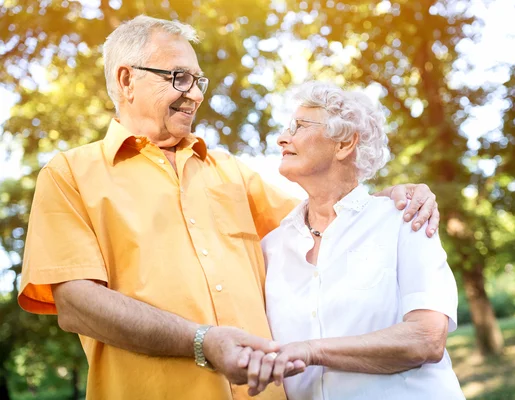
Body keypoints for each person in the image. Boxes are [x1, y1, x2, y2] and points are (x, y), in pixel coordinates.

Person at [17, 16, 440, 400]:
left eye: (200, 81)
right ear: (126, 80)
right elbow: (76, 304)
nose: (196, 95)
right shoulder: (68, 174)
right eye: (179, 78)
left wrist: (391, 198)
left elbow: (327, 218)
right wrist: (202, 341)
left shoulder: (232, 172)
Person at [240, 82, 464, 399]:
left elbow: (426, 339)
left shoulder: (405, 219)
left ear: (344, 143)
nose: (282, 138)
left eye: (299, 126)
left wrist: (310, 351)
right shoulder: (271, 247)